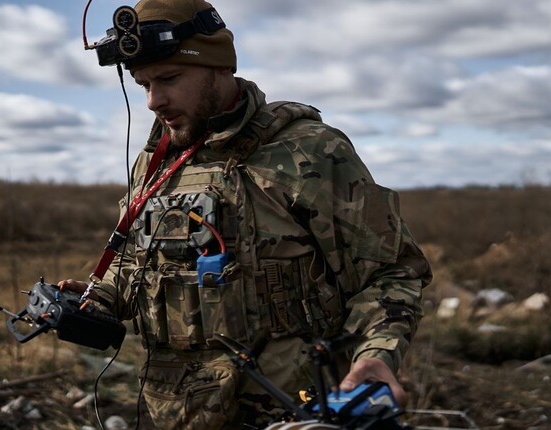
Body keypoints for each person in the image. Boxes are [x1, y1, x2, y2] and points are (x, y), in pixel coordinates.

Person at [59, 0, 432, 428]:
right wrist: (101, 297)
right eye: (143, 84)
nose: (153, 101)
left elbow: (391, 272)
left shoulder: (307, 151)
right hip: (173, 412)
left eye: (169, 79)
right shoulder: (157, 162)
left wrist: (376, 356)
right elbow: (139, 263)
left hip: (293, 414)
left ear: (220, 67)